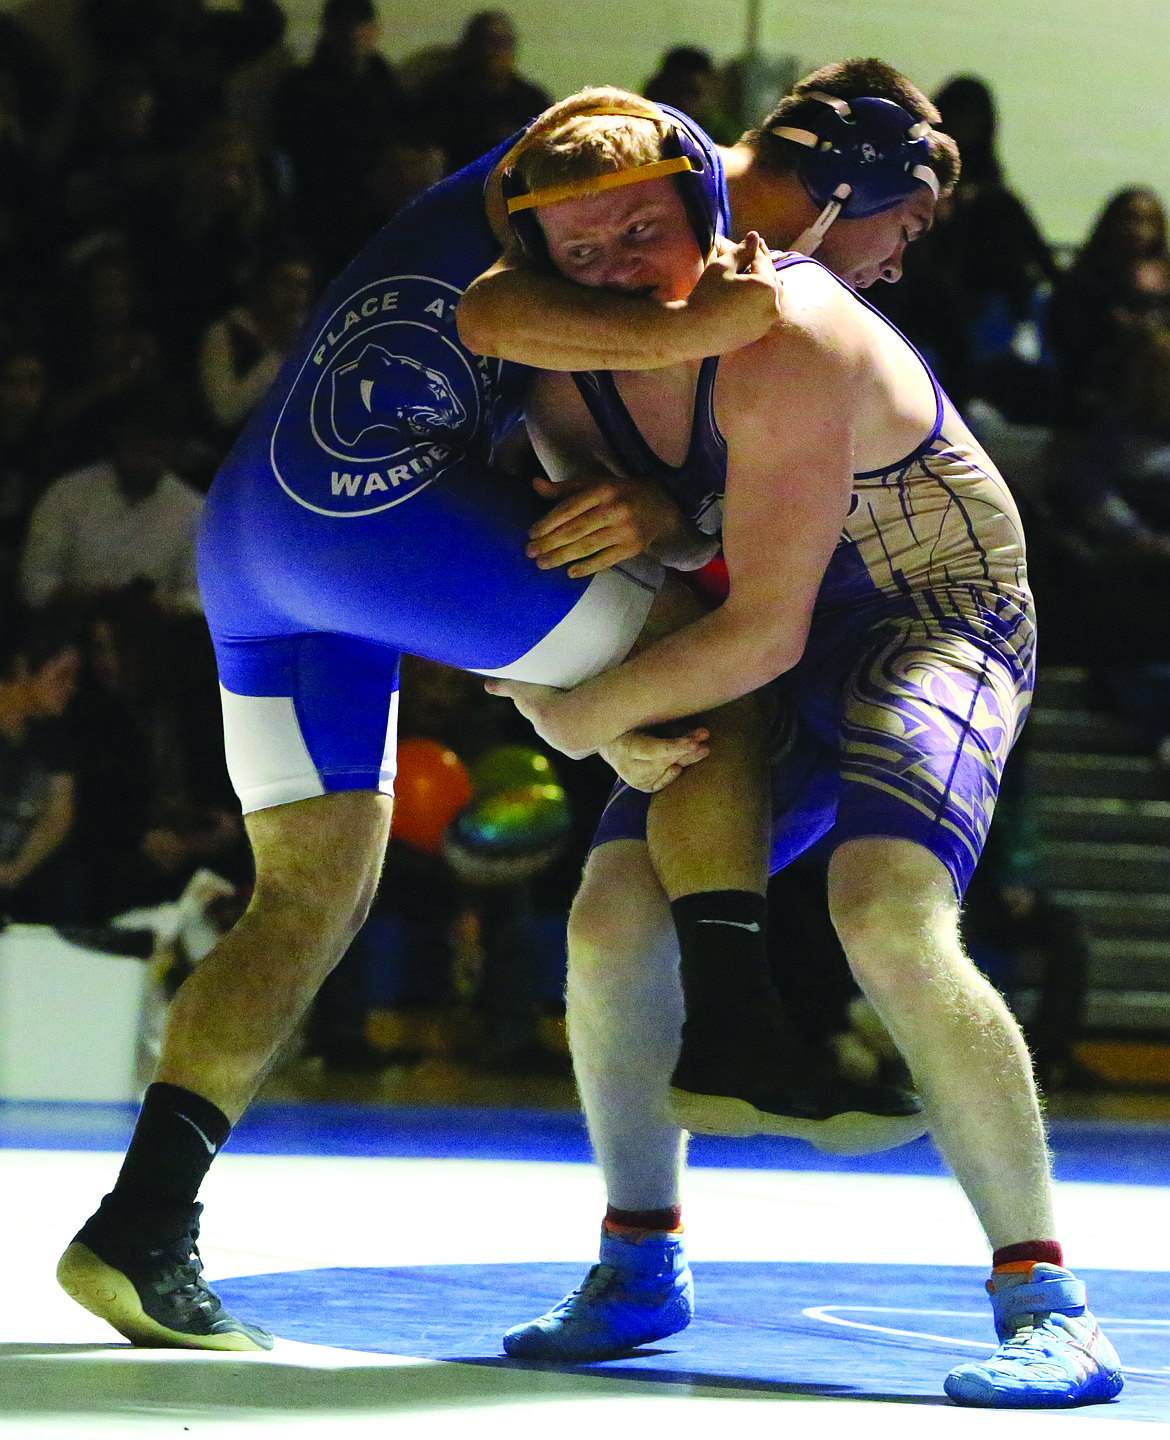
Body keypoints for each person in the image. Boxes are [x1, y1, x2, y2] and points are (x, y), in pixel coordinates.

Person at [56, 94, 911, 1359]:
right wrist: (722, 317)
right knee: (708, 651)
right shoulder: (639, 155)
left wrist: (609, 619)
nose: (855, 276)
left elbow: (531, 515)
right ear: (820, 190)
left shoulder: (638, 239)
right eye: (875, 241)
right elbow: (499, 313)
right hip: (367, 516)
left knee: (310, 895)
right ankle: (736, 1022)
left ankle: (140, 1222)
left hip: (261, 532)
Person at [467, 72, 1123, 1408]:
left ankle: (1043, 1294)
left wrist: (581, 718)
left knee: (883, 907)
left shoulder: (792, 317)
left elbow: (761, 627)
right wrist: (643, 557)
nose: (614, 264)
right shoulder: (553, 353)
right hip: (766, 615)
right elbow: (695, 558)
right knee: (606, 916)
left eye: (640, 233)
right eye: (580, 251)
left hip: (927, 617)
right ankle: (638, 1261)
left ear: (702, 204)